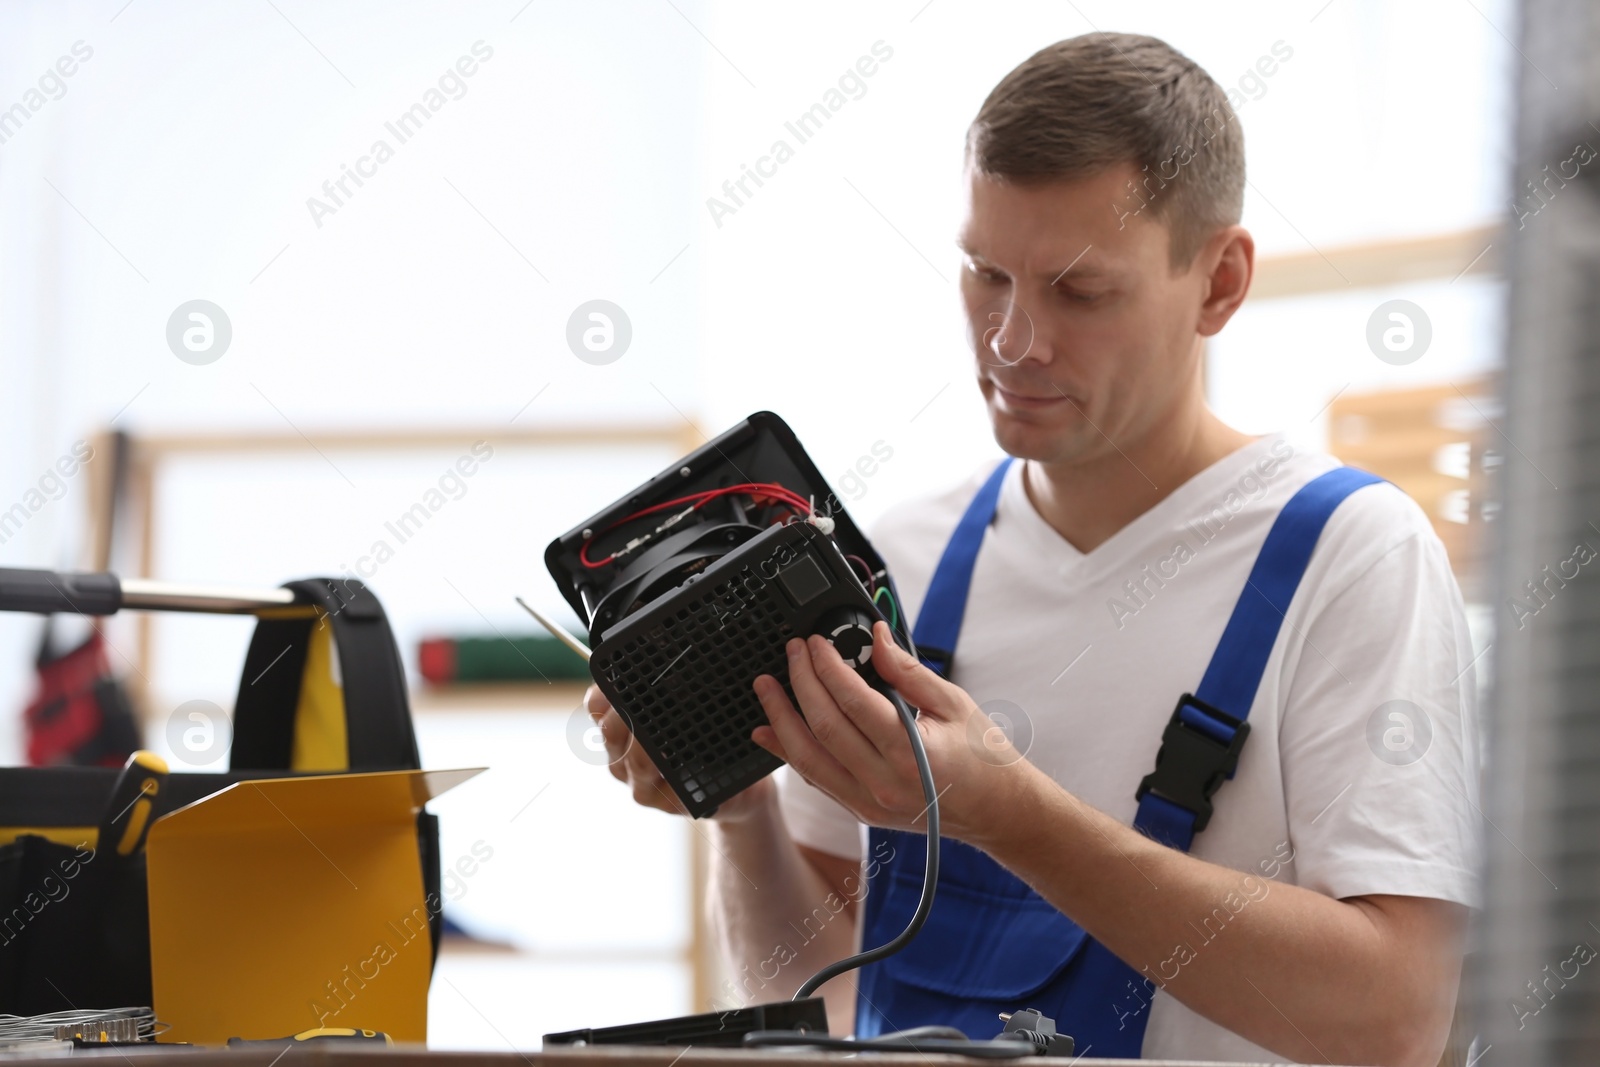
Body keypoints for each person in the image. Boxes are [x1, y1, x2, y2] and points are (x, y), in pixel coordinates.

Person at [585, 31, 1480, 1066]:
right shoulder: (896, 559)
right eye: (984, 274)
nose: (1011, 341)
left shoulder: (1352, 558)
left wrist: (1010, 817)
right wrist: (742, 816)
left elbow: (1396, 1022)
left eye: (1079, 291)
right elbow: (827, 1000)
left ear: (1220, 284)